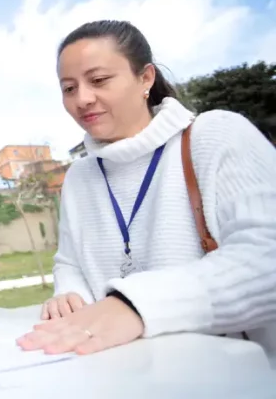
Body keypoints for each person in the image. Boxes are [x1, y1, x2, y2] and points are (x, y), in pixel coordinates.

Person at [17, 20, 276, 361]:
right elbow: (70, 261)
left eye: (98, 80)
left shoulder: (215, 135)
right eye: (68, 88)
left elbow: (266, 257)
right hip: (126, 374)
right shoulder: (79, 176)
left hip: (234, 376)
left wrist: (133, 307)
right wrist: (70, 294)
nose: (82, 99)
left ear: (145, 78)